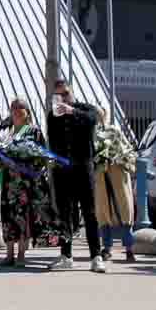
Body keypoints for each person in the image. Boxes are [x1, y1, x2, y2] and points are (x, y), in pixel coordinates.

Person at [46, 77, 100, 271]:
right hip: (63, 170)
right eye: (58, 95)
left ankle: (96, 256)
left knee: (90, 212)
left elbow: (92, 120)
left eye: (66, 93)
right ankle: (66, 255)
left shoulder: (85, 109)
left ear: (72, 92)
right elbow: (52, 140)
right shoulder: (53, 115)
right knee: (64, 213)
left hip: (83, 168)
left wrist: (72, 111)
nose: (63, 98)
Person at [0, 98, 59, 266]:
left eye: (20, 108)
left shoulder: (34, 131)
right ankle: (9, 255)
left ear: (27, 112)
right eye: (13, 108)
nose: (16, 111)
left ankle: (21, 255)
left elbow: (42, 156)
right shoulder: (6, 130)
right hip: (9, 181)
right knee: (8, 216)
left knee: (23, 216)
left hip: (26, 182)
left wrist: (28, 166)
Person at [91, 105, 135, 270]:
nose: (98, 117)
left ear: (105, 115)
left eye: (99, 114)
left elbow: (127, 150)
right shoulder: (91, 133)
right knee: (103, 212)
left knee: (124, 210)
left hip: (117, 174)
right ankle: (107, 248)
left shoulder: (114, 131)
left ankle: (129, 248)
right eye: (95, 115)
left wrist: (119, 158)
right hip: (101, 176)